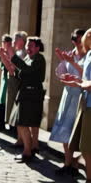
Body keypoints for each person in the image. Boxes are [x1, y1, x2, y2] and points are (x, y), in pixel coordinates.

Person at [0, 37, 46, 163]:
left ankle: (27, 152)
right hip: (25, 93)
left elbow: (27, 69)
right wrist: (6, 58)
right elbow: (18, 72)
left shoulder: (39, 58)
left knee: (23, 123)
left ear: (37, 48)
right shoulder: (28, 58)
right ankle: (28, 149)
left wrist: (12, 56)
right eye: (27, 46)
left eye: (31, 46)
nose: (28, 48)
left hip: (32, 94)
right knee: (21, 123)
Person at [50, 29, 86, 176]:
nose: (76, 42)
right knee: (64, 129)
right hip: (67, 94)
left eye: (78, 39)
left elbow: (86, 74)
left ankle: (76, 161)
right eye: (74, 39)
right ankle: (68, 163)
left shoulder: (88, 55)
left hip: (79, 95)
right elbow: (60, 73)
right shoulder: (71, 53)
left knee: (76, 131)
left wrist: (71, 62)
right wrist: (63, 60)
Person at [60, 28, 91, 181]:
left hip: (84, 99)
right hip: (79, 98)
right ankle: (70, 163)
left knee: (84, 143)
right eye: (89, 35)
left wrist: (80, 83)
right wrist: (75, 79)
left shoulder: (88, 54)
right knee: (73, 136)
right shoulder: (86, 54)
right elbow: (83, 76)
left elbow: (87, 79)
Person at [0, 35, 13, 131]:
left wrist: (4, 55)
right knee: (1, 100)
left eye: (5, 42)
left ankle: (7, 124)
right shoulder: (2, 52)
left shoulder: (10, 52)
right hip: (4, 78)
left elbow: (9, 65)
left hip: (9, 79)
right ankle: (0, 123)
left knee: (6, 100)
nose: (3, 44)